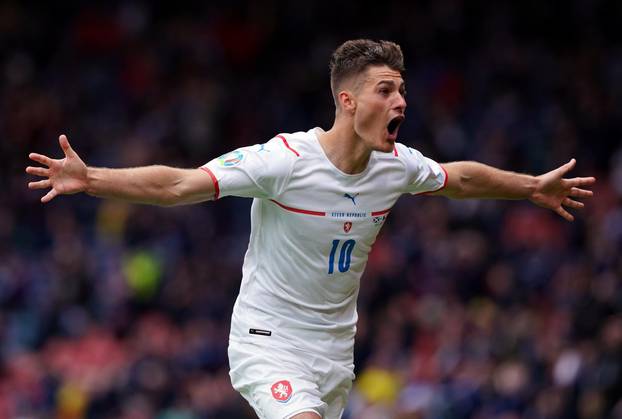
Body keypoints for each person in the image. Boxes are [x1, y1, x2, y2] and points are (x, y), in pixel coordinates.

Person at [26, 39, 595, 419]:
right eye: (386, 90)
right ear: (348, 102)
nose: (401, 100)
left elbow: (460, 179)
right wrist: (92, 177)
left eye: (402, 90)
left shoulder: (396, 165)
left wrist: (531, 187)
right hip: (268, 342)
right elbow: (178, 185)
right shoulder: (284, 160)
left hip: (335, 353)